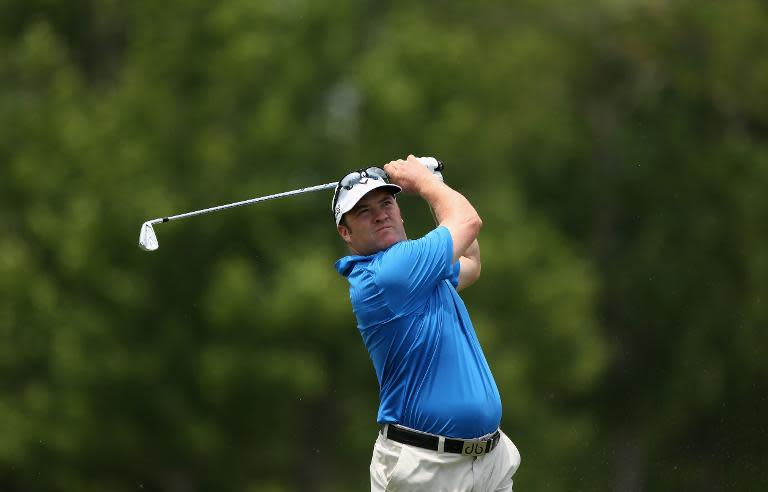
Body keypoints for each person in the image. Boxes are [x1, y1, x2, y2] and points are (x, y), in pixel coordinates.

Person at [332, 155, 521, 491]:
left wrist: (437, 184)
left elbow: (471, 262)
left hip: (487, 463)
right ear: (345, 232)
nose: (380, 214)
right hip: (427, 469)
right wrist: (425, 182)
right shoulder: (390, 273)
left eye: (387, 202)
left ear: (399, 210)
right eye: (364, 211)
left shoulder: (417, 271)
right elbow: (468, 221)